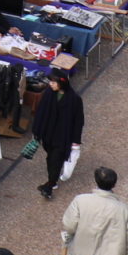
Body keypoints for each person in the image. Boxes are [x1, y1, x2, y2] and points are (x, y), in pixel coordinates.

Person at [31, 73, 86, 201]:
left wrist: (76, 141)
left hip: (63, 136)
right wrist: (37, 131)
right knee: (51, 158)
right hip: (48, 134)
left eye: (53, 82)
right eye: (50, 82)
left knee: (56, 159)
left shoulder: (74, 99)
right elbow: (41, 112)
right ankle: (53, 180)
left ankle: (49, 186)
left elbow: (78, 121)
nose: (50, 84)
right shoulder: (49, 94)